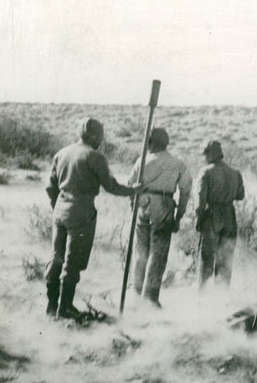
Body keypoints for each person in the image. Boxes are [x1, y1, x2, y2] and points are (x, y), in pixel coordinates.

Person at [45, 118, 140, 319]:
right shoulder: (95, 157)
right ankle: (65, 308)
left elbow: (49, 186)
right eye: (100, 137)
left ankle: (51, 306)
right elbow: (111, 187)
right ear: (94, 136)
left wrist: (58, 206)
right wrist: (133, 191)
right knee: (72, 262)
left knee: (56, 258)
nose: (102, 141)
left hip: (60, 209)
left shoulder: (62, 153)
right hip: (81, 211)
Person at [129, 127, 192, 307]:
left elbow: (130, 186)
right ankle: (149, 299)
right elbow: (186, 189)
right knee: (158, 254)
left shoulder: (142, 160)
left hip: (143, 205)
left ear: (152, 143)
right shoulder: (177, 163)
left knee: (141, 253)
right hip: (163, 204)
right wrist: (179, 215)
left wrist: (134, 207)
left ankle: (137, 293)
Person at [194, 139, 245, 288]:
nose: (204, 157)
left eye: (205, 154)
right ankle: (222, 298)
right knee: (226, 260)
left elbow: (200, 200)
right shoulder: (235, 172)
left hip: (212, 215)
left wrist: (199, 218)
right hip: (230, 215)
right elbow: (240, 195)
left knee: (207, 259)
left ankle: (203, 298)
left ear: (210, 155)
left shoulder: (206, 172)